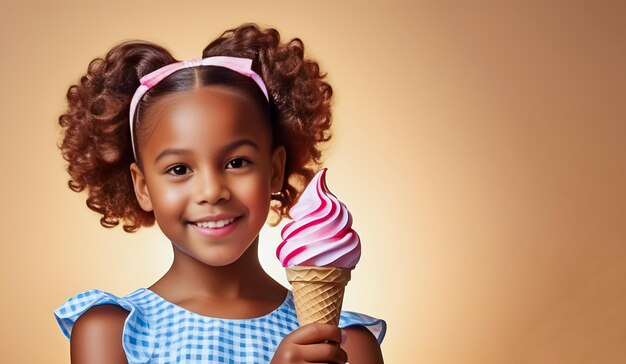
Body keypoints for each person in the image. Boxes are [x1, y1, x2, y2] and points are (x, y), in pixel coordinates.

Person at [53, 23, 386, 364]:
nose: (211, 192)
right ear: (143, 187)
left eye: (237, 162)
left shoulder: (345, 345)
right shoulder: (113, 332)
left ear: (273, 171)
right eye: (179, 169)